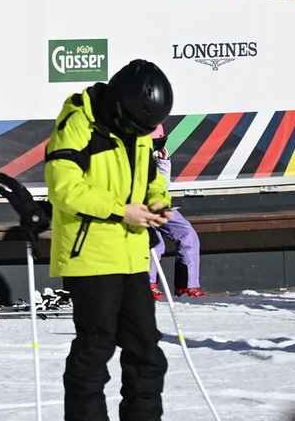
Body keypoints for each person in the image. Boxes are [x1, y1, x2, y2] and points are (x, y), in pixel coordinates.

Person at [45, 59, 174, 421]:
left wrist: (158, 202)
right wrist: (121, 210)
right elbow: (63, 187)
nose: (139, 134)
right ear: (118, 107)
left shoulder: (140, 130)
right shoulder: (78, 122)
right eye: (134, 126)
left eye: (145, 130)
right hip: (91, 256)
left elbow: (154, 178)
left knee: (146, 351)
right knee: (95, 350)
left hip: (132, 254)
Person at [148, 125, 206, 299]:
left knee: (186, 232)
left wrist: (164, 163)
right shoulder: (129, 154)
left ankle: (186, 285)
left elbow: (162, 186)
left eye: (159, 144)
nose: (156, 148)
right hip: (137, 205)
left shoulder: (152, 157)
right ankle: (148, 284)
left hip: (158, 205)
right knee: (155, 243)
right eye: (154, 144)